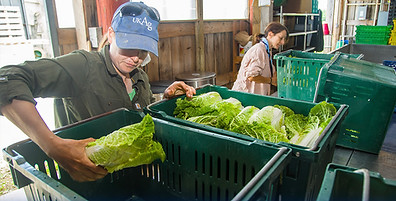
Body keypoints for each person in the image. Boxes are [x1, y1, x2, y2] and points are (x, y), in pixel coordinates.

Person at [0, 2, 195, 182]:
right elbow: (7, 79)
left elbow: (141, 118)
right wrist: (52, 146)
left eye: (143, 51)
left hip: (126, 179)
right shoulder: (84, 67)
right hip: (85, 179)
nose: (136, 58)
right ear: (111, 34)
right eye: (129, 46)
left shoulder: (140, 77)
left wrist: (164, 99)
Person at [232, 22, 289, 96]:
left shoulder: (267, 50)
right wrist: (271, 81)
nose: (283, 42)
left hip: (254, 95)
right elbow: (251, 76)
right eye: (281, 38)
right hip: (244, 96)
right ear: (270, 34)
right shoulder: (259, 50)